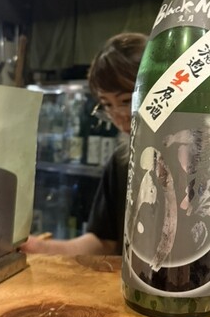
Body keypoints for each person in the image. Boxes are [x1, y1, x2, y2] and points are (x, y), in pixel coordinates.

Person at [20, 32, 147, 256]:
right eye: (107, 105)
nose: (119, 116)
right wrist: (40, 247)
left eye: (126, 100)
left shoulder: (197, 153)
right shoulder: (121, 163)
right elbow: (104, 242)